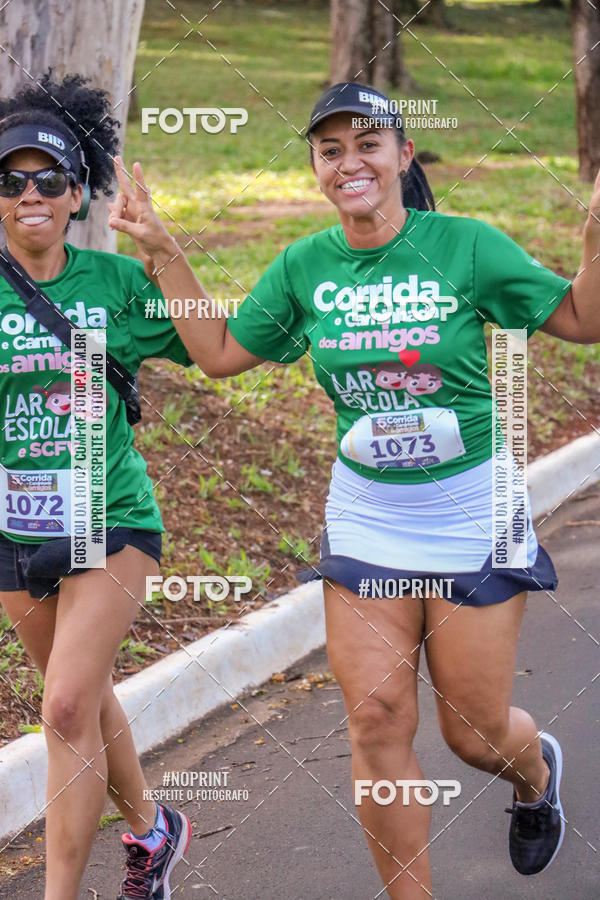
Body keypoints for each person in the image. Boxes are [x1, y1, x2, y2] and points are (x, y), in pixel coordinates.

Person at [108, 81, 600, 898]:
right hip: (370, 514)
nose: (349, 162)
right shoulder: (307, 264)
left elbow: (583, 319)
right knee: (376, 720)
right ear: (316, 168)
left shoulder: (467, 247)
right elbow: (222, 350)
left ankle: (533, 774)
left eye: (367, 143)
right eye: (330, 149)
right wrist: (163, 249)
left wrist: (592, 232)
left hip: (472, 510)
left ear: (404, 156)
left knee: (475, 731)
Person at [0, 73, 193, 900]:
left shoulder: (115, 288)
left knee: (69, 707)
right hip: (14, 532)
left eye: (50, 178)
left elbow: (216, 336)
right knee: (83, 702)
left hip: (109, 521)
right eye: (11, 179)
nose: (30, 192)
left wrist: (165, 250)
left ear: (78, 193)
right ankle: (153, 831)